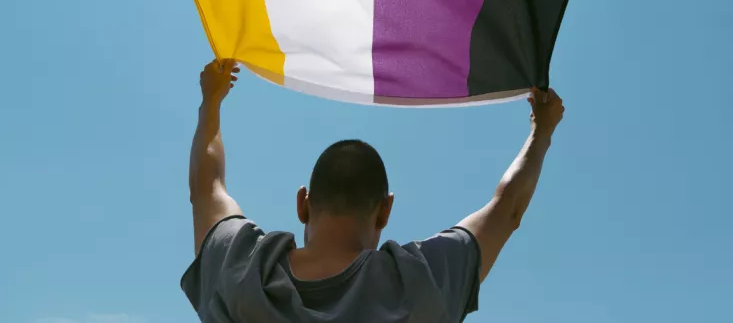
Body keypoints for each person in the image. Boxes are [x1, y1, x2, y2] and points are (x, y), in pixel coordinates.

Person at [183, 59, 565, 322]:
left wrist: (210, 101)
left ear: (303, 204)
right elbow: (506, 209)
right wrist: (541, 131)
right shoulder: (418, 284)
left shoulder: (241, 269)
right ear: (385, 211)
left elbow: (207, 187)